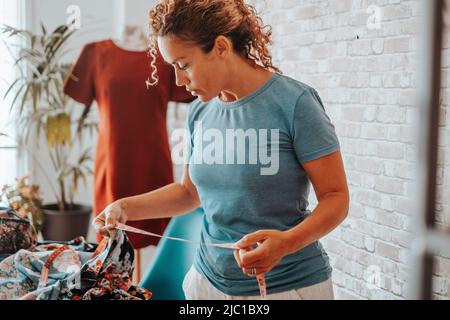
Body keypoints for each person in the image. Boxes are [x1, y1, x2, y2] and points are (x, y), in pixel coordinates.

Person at [94, 0, 349, 300]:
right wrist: (125, 207)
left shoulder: (295, 103)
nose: (178, 80)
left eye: (184, 65)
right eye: (173, 68)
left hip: (286, 287)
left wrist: (286, 243)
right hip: (206, 283)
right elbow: (189, 192)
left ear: (221, 47)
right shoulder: (199, 113)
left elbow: (336, 198)